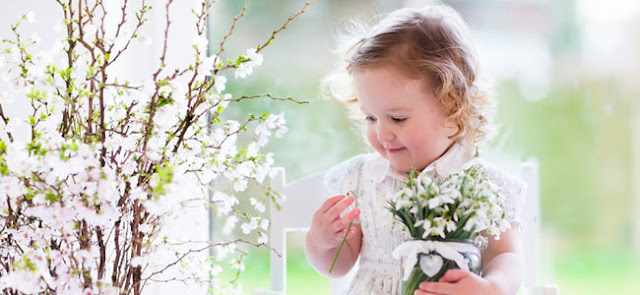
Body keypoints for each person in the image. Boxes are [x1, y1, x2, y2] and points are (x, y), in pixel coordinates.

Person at [305, 4, 525, 295]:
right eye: (370, 117)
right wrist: (321, 242)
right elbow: (339, 266)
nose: (381, 133)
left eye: (398, 118)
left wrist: (493, 287)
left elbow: (504, 255)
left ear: (452, 106)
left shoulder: (485, 185)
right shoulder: (362, 180)